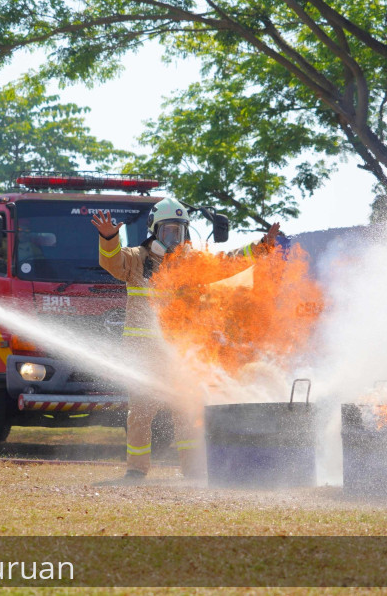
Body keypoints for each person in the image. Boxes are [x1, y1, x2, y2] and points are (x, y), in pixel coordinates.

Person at [92, 197, 280, 481]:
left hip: (182, 354)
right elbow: (112, 262)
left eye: (179, 231)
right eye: (168, 231)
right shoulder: (136, 258)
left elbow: (226, 263)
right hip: (145, 354)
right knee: (141, 413)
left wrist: (260, 248)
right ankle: (135, 470)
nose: (175, 238)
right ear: (155, 231)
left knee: (187, 412)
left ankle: (193, 470)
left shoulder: (194, 263)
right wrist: (109, 238)